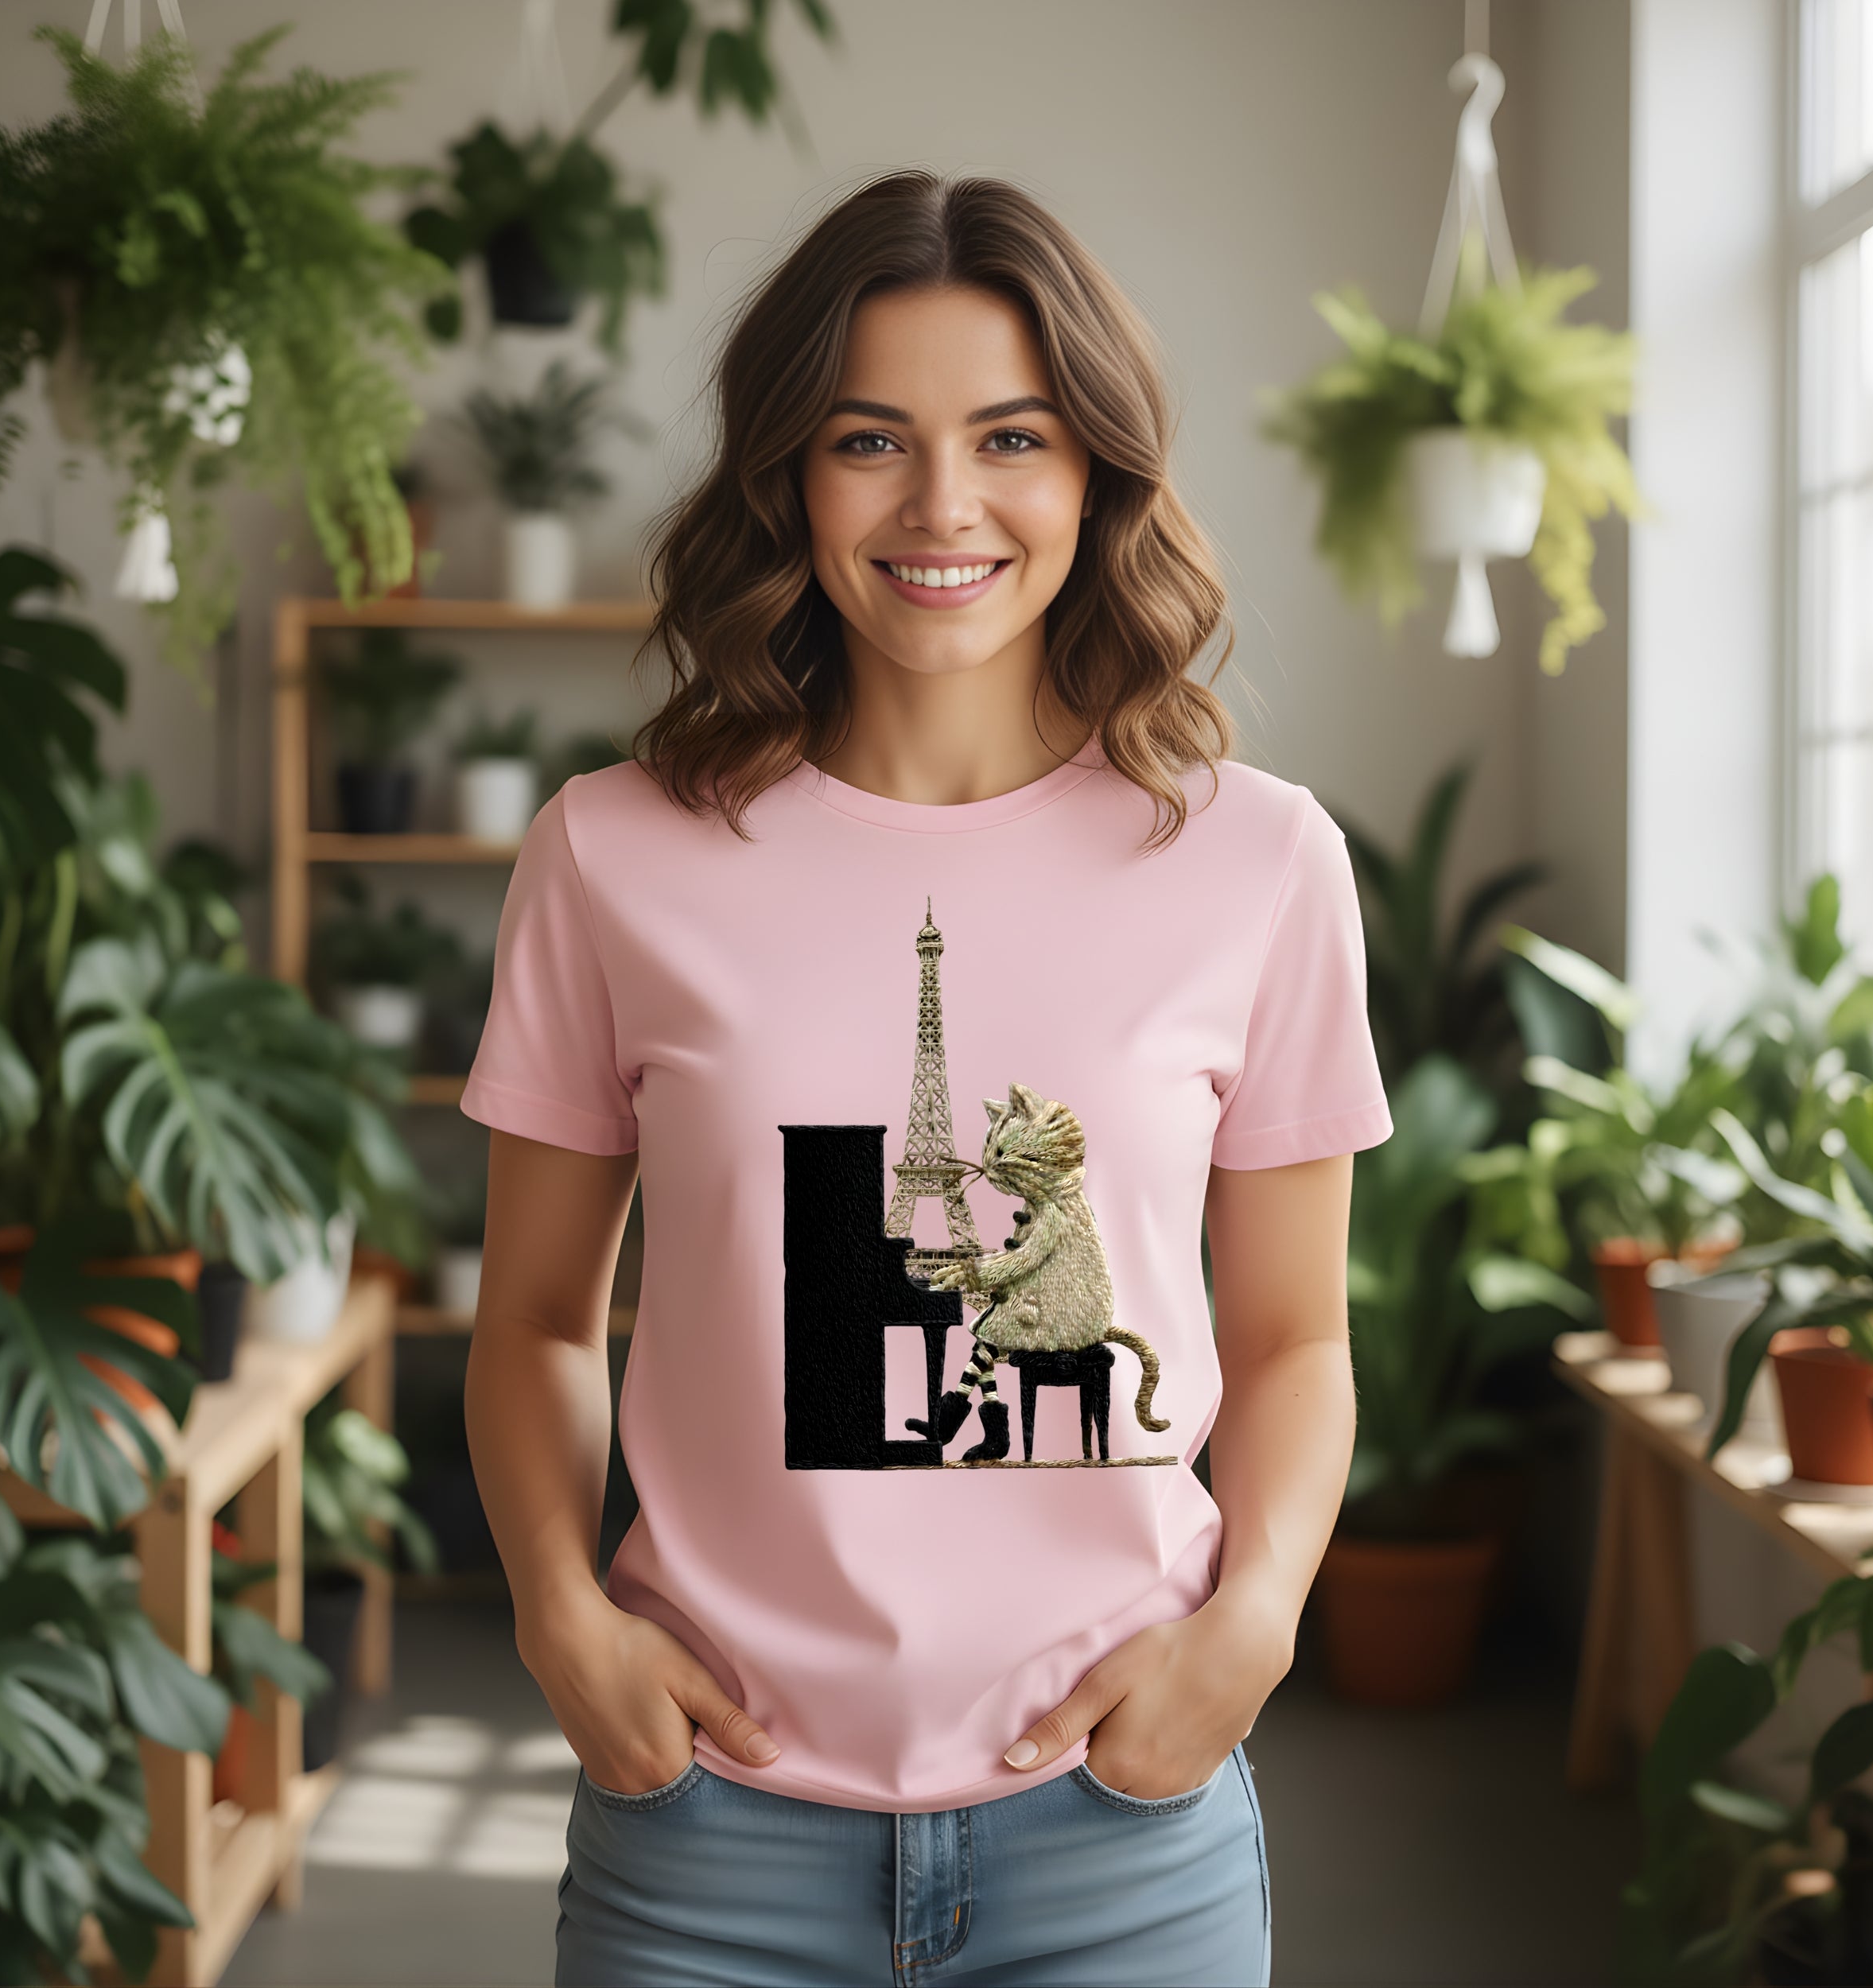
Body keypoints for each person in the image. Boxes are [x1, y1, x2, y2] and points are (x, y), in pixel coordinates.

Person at [460, 169, 1393, 1988]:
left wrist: (1254, 1623)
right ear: (786, 479)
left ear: (1093, 475)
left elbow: (1292, 1341)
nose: (941, 505)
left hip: (1119, 1822)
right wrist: (559, 1614)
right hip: (706, 1828)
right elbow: (536, 1325)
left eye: (1012, 437)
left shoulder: (1261, 863)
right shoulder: (611, 854)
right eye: (869, 438)